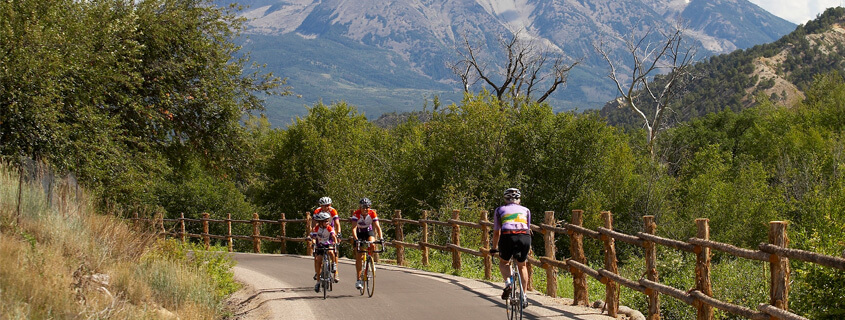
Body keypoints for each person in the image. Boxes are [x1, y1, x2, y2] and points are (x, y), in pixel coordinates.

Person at [489, 188, 531, 306]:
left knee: (504, 262)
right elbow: (527, 228)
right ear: (519, 199)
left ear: (505, 199)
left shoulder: (499, 210)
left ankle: (508, 284)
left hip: (507, 237)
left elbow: (497, 232)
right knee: (522, 265)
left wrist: (494, 247)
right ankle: (524, 295)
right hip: (524, 238)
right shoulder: (526, 210)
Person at [350, 197, 383, 290]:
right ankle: (358, 280)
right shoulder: (356, 214)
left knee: (372, 243)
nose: (365, 209)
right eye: (363, 207)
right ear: (360, 207)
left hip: (368, 231)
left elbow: (377, 227)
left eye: (367, 207)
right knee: (359, 256)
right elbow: (354, 228)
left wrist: (381, 238)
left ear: (370, 207)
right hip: (359, 232)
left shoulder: (372, 213)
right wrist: (356, 239)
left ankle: (370, 261)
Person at [313, 196, 341, 281]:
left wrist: (338, 234)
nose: (326, 207)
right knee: (317, 254)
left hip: (330, 229)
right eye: (324, 205)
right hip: (320, 230)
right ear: (321, 206)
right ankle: (317, 272)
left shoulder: (333, 211)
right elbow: (314, 224)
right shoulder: (317, 211)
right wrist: (313, 234)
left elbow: (337, 224)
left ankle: (335, 272)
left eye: (328, 205)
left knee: (333, 250)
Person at [310, 212, 338, 293]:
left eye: (328, 221)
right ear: (320, 222)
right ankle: (318, 282)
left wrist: (335, 243)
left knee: (331, 252)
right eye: (325, 221)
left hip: (328, 244)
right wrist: (314, 243)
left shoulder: (329, 228)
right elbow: (314, 238)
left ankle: (333, 265)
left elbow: (333, 236)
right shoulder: (316, 228)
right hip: (320, 245)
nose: (327, 222)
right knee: (318, 259)